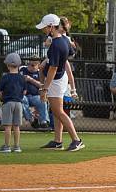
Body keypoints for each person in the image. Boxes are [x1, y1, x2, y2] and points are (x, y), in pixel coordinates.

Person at [36, 13, 84, 151]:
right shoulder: (63, 39)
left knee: (58, 111)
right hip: (60, 78)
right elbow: (71, 52)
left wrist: (45, 88)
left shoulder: (56, 44)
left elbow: (53, 69)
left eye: (45, 27)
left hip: (56, 80)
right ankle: (58, 141)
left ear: (51, 27)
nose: (44, 30)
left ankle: (76, 139)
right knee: (57, 111)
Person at [0, 53, 26, 153]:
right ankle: (17, 146)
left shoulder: (5, 77)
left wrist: (2, 97)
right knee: (16, 126)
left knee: (8, 126)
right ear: (19, 65)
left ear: (8, 65)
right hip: (19, 103)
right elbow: (24, 91)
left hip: (8, 103)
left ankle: (6, 146)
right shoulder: (22, 78)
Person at [20, 57, 50, 128]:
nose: (31, 67)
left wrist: (31, 80)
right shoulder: (22, 70)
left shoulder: (40, 73)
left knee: (42, 100)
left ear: (38, 65)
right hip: (23, 95)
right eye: (29, 64)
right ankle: (32, 120)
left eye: (33, 65)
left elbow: (43, 85)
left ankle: (44, 122)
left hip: (35, 96)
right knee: (22, 99)